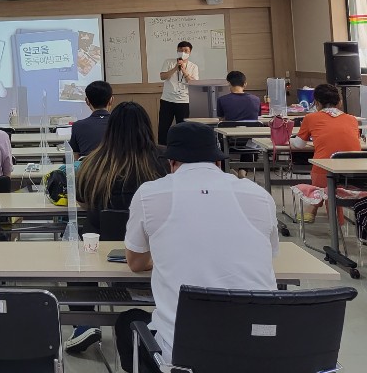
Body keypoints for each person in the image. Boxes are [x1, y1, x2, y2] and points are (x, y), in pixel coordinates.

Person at [115, 122, 278, 372]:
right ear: (218, 162)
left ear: (171, 163)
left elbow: (135, 263)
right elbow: (269, 255)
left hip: (183, 357)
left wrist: (164, 256)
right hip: (260, 353)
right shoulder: (259, 195)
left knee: (128, 321)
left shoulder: (150, 194)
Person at [66, 101, 167, 354]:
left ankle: (83, 322)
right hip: (153, 251)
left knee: (78, 251)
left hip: (101, 247)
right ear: (146, 127)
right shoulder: (163, 160)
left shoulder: (94, 162)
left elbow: (82, 199)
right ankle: (166, 315)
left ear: (110, 130)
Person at [291, 83, 362, 222]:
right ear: (339, 102)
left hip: (324, 172)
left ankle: (315, 208)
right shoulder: (352, 119)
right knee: (331, 183)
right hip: (353, 174)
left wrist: (289, 140)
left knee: (323, 178)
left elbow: (299, 145)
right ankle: (314, 208)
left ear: (317, 103)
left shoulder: (310, 118)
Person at [157, 41, 199, 144]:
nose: (183, 52)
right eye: (180, 50)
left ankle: (183, 149)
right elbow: (162, 76)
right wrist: (175, 68)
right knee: (163, 128)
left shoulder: (194, 67)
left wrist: (184, 71)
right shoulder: (168, 62)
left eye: (186, 50)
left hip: (184, 101)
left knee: (184, 128)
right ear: (177, 50)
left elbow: (193, 83)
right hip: (167, 100)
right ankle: (162, 150)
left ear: (190, 52)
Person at [69, 80, 114, 159]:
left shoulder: (77, 126)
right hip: (115, 166)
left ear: (87, 101)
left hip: (88, 166)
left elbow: (76, 157)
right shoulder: (122, 124)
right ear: (111, 100)